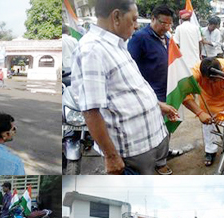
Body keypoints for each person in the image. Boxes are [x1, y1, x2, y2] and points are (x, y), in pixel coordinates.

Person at [71, 0, 178, 175]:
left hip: (146, 144)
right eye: (134, 19)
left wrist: (157, 105)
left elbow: (127, 89)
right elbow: (91, 110)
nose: (136, 26)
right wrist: (111, 156)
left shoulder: (117, 44)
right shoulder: (92, 50)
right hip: (131, 151)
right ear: (116, 17)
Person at [128, 5, 183, 175]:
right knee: (153, 130)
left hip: (167, 90)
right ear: (153, 19)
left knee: (166, 127)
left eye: (169, 24)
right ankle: (159, 163)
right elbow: (131, 68)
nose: (166, 27)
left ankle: (163, 154)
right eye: (163, 23)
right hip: (151, 94)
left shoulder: (166, 36)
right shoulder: (139, 38)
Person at [182, 57, 224, 167]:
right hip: (208, 102)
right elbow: (183, 93)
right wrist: (200, 113)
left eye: (214, 80)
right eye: (208, 80)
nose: (211, 82)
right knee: (208, 125)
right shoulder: (194, 73)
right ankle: (210, 151)